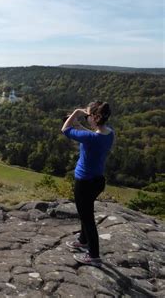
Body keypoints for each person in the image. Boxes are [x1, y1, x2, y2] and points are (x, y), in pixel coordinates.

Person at [61, 101, 114, 267]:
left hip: (84, 183)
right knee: (86, 212)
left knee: (87, 218)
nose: (86, 117)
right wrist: (79, 123)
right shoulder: (109, 133)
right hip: (97, 181)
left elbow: (65, 130)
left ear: (96, 117)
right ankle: (83, 241)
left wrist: (76, 112)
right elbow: (91, 135)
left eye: (88, 115)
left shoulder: (91, 137)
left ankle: (94, 256)